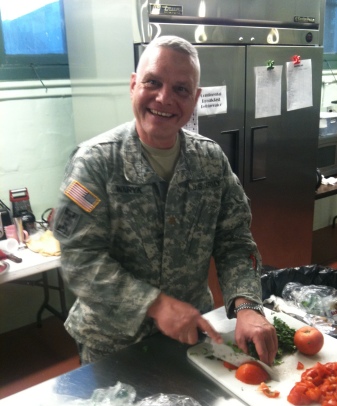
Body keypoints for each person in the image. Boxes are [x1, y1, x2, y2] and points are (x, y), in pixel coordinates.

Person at [53, 35, 278, 366]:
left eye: (181, 89)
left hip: (191, 338)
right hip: (113, 345)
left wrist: (247, 306)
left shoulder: (210, 161)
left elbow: (234, 241)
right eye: (153, 82)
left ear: (195, 98)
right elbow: (79, 259)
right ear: (133, 85)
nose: (164, 98)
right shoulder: (95, 163)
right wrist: (155, 305)